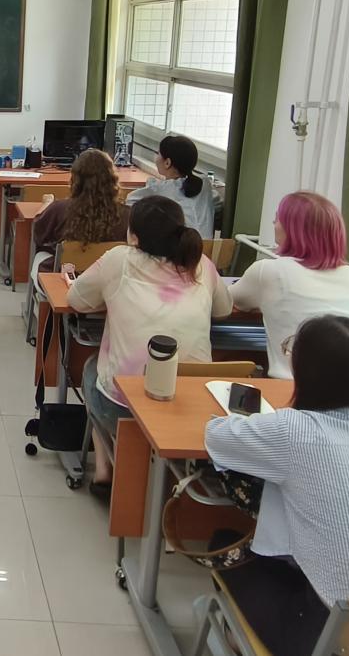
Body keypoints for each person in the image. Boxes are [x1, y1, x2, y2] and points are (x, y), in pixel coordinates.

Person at [205, 316, 349, 656]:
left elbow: (216, 436)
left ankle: (237, 640)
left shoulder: (296, 430)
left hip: (333, 641)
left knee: (224, 544)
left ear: (311, 375)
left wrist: (265, 425)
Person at [68, 195, 231, 486]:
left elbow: (76, 300)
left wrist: (110, 297)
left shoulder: (118, 260)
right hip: (194, 407)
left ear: (134, 236)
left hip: (126, 408)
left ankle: (104, 467)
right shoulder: (199, 263)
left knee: (92, 368)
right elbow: (224, 309)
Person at [230, 191, 349, 378]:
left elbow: (226, 301)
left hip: (293, 387)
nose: (273, 224)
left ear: (292, 229)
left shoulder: (269, 271)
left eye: (277, 219)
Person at [32, 148, 130, 272]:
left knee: (41, 255)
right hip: (108, 277)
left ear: (75, 179)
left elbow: (39, 235)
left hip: (65, 275)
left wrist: (46, 204)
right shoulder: (127, 214)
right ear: (112, 179)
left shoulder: (60, 209)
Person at [125, 135, 218, 238]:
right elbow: (217, 203)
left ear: (167, 163)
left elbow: (130, 200)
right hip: (209, 246)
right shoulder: (205, 183)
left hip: (180, 247)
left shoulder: (159, 189)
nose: (156, 157)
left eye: (158, 153)